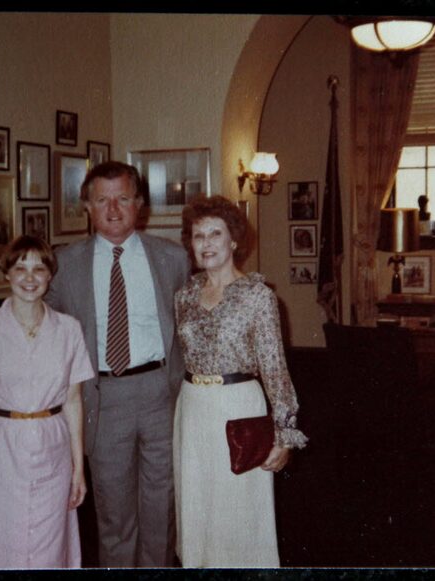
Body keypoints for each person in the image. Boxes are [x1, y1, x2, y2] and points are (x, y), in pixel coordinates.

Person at [45, 161, 191, 567]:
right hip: (103, 397)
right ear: (87, 207)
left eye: (122, 199)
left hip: (162, 392)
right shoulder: (63, 265)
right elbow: (45, 328)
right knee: (113, 513)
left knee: (162, 507)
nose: (113, 210)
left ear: (139, 205)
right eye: (102, 200)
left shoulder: (173, 258)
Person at [173, 195, 307, 568]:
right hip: (193, 408)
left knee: (239, 511)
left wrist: (283, 434)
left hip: (238, 407)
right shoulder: (184, 296)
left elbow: (275, 369)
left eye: (216, 233)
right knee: (196, 506)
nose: (207, 243)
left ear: (234, 240)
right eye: (199, 236)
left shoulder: (258, 296)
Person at [0, 235, 95, 569]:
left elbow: (74, 402)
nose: (29, 278)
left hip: (54, 451)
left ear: (50, 276)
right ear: (7, 274)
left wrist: (78, 470)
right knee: (1, 546)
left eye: (39, 269)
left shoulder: (69, 330)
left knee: (51, 548)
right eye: (20, 268)